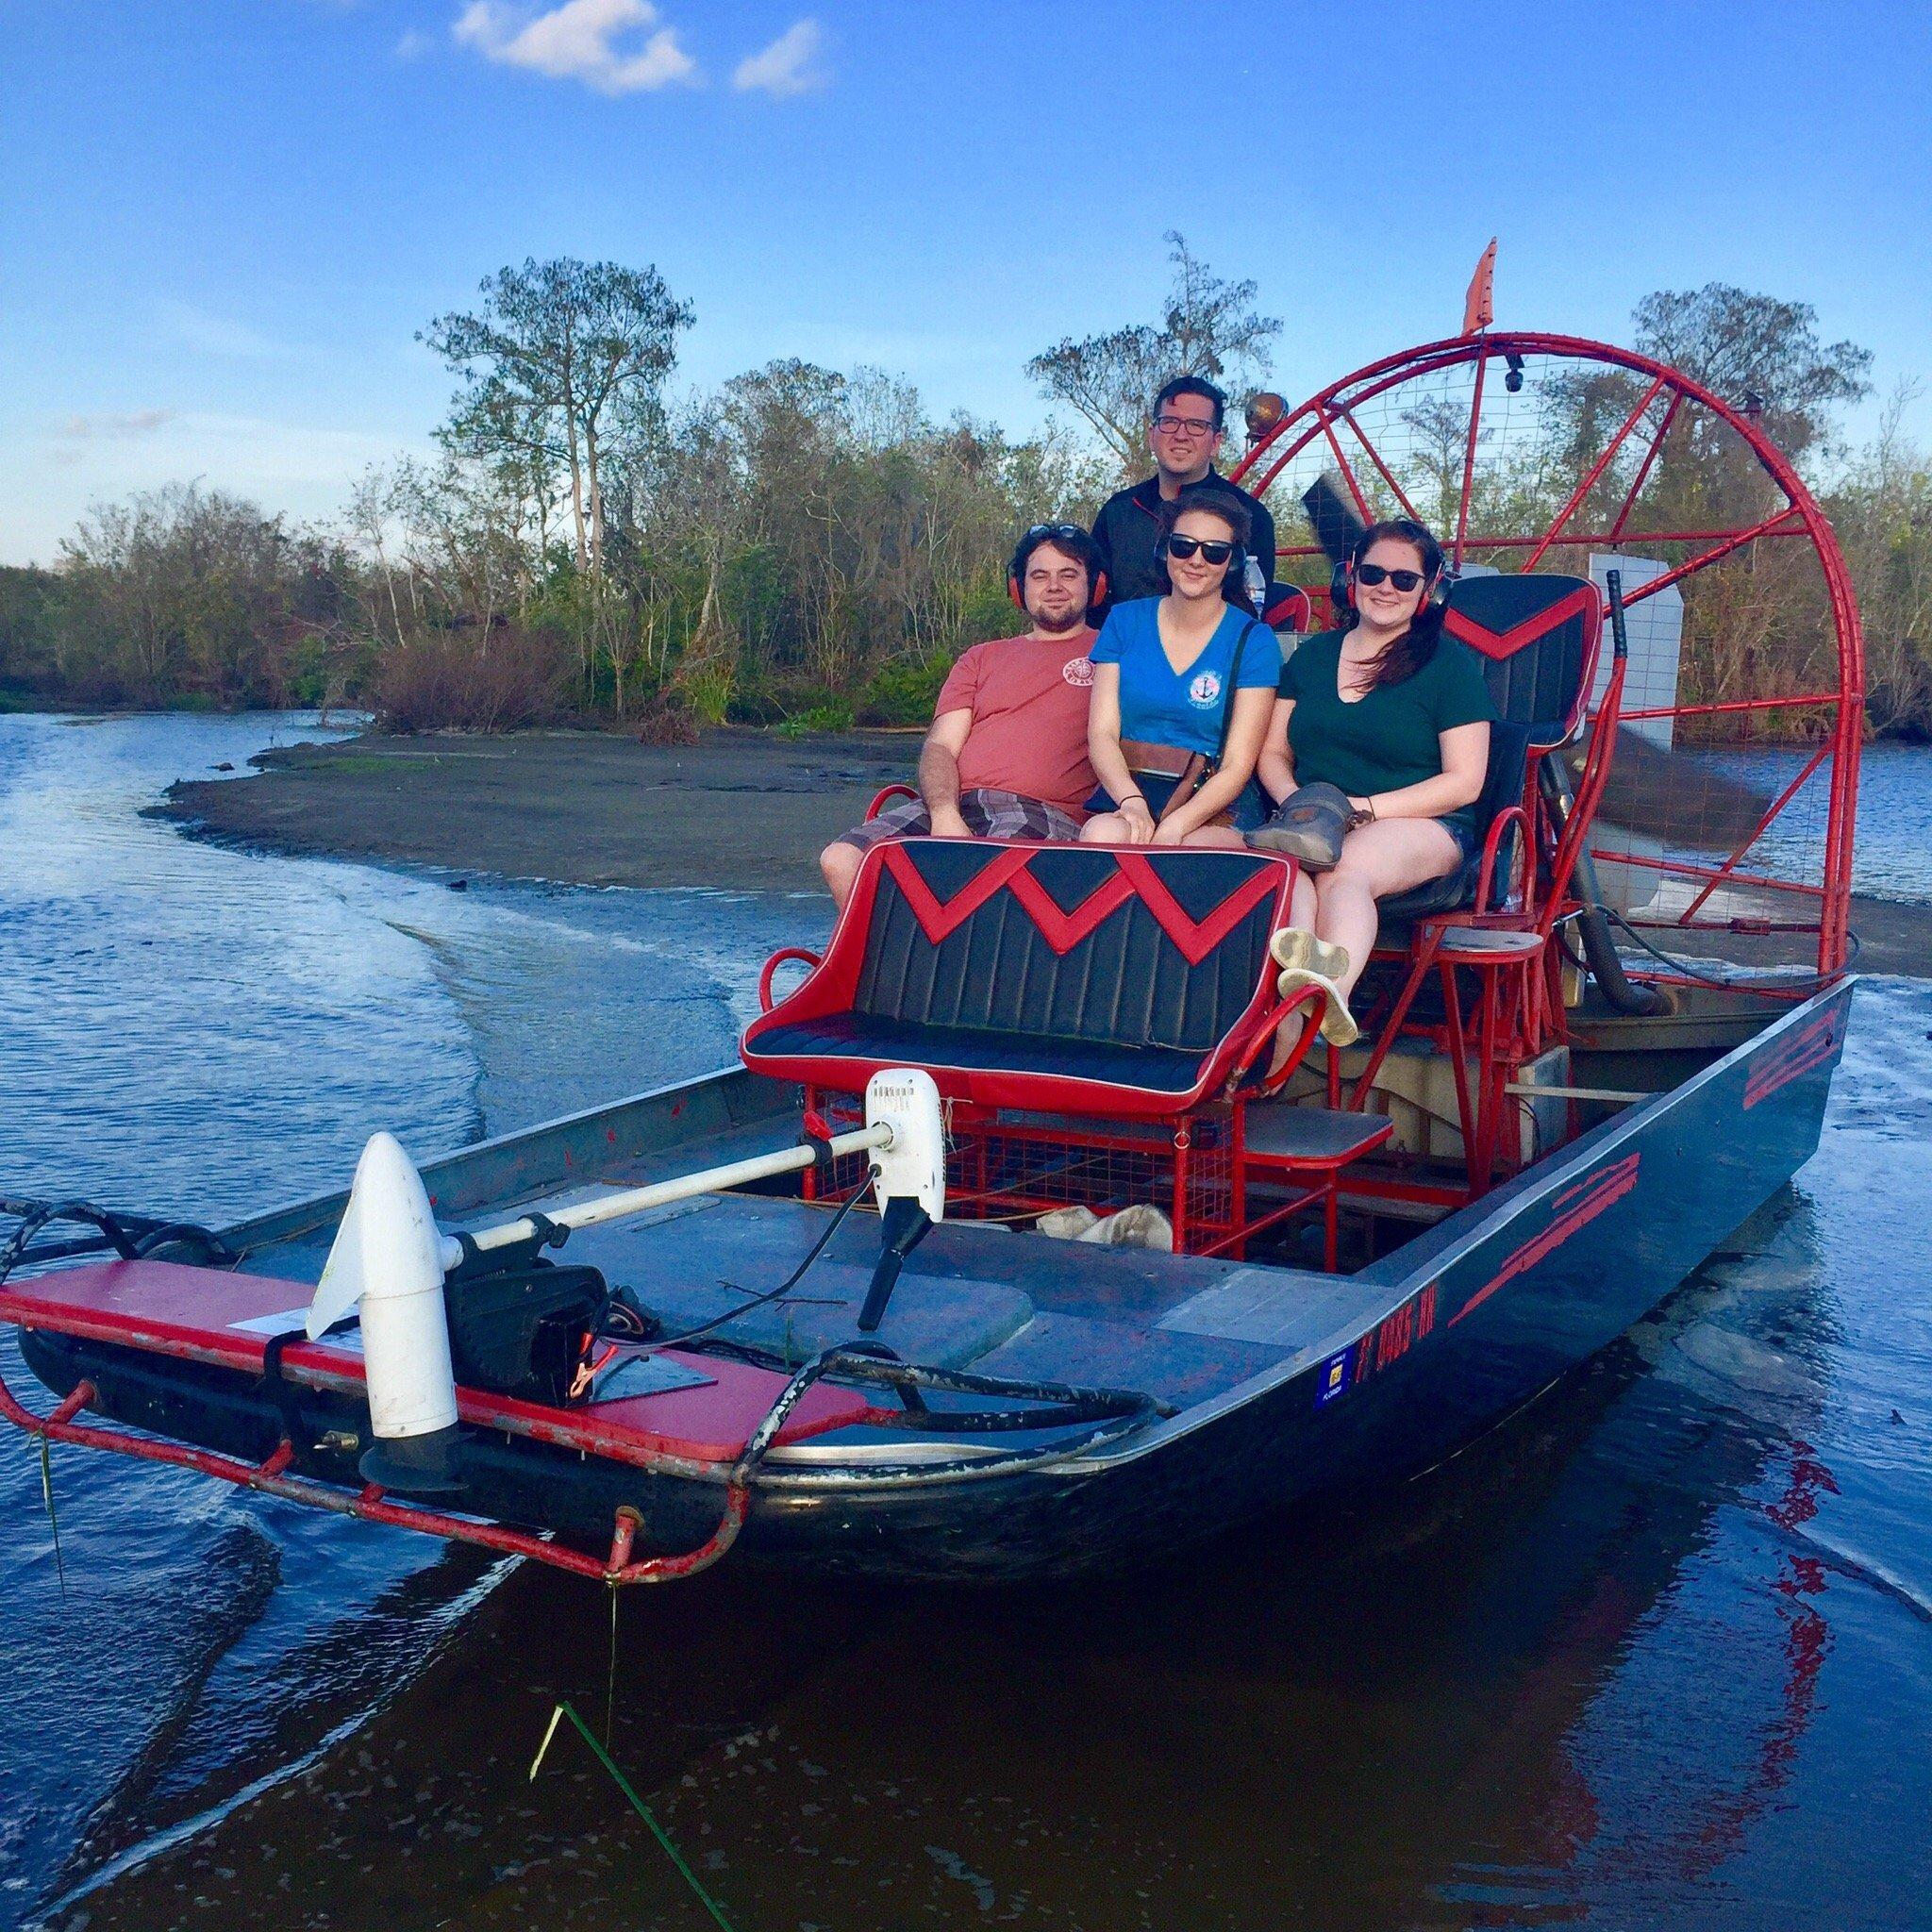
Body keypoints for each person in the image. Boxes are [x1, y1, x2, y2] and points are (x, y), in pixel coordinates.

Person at [1252, 518, 1492, 1049]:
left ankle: (1329, 997)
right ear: (1351, 578)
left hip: (1421, 823)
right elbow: (1272, 752)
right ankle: (1281, 1045)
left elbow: (1465, 781)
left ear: (1430, 592)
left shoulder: (1450, 668)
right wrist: (1303, 805)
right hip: (1314, 816)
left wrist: (1363, 807)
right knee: (1287, 881)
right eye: (1374, 573)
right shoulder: (1311, 659)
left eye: (1405, 580)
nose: (1387, 587)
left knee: (1344, 869)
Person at [818, 525, 1103, 910]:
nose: (1054, 586)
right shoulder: (981, 657)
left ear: (1096, 586)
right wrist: (945, 814)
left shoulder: (1114, 654)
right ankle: (890, 967)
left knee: (985, 865)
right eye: (1040, 575)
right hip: (956, 802)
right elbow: (940, 746)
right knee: (841, 859)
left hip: (1042, 812)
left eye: (1068, 574)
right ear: (1018, 589)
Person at [1081, 489, 1280, 849]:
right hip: (1134, 783)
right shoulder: (1124, 621)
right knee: (1102, 835)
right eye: (1184, 546)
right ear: (1164, 550)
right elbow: (1102, 733)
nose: (1197, 560)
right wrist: (1131, 802)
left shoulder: (1254, 640)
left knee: (1190, 854)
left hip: (1214, 801)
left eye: (1214, 552)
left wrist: (1175, 826)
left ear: (1232, 563)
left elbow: (1238, 763)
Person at [1090, 375, 1277, 608]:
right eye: (1169, 422)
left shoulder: (1251, 516)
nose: (1181, 435)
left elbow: (1254, 610)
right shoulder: (1117, 512)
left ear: (1216, 442)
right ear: (1152, 435)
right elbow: (1092, 606)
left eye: (1196, 425)